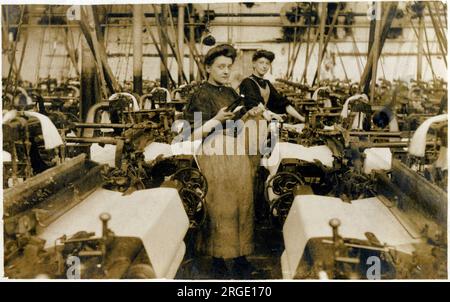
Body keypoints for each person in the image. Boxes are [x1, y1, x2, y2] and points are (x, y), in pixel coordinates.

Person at [184, 44, 263, 279]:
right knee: (220, 207)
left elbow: (236, 125)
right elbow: (192, 133)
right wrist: (216, 119)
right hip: (213, 152)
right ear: (208, 68)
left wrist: (249, 114)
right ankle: (218, 259)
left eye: (229, 67)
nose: (226, 71)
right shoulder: (199, 95)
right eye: (220, 67)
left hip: (235, 152)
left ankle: (240, 258)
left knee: (242, 203)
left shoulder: (230, 93)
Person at [239, 49, 305, 122]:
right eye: (261, 63)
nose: (264, 66)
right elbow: (256, 105)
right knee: (275, 127)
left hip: (263, 121)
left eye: (267, 63)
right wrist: (274, 115)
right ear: (254, 64)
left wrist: (302, 119)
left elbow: (282, 102)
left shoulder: (267, 84)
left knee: (278, 130)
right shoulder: (247, 82)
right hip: (250, 124)